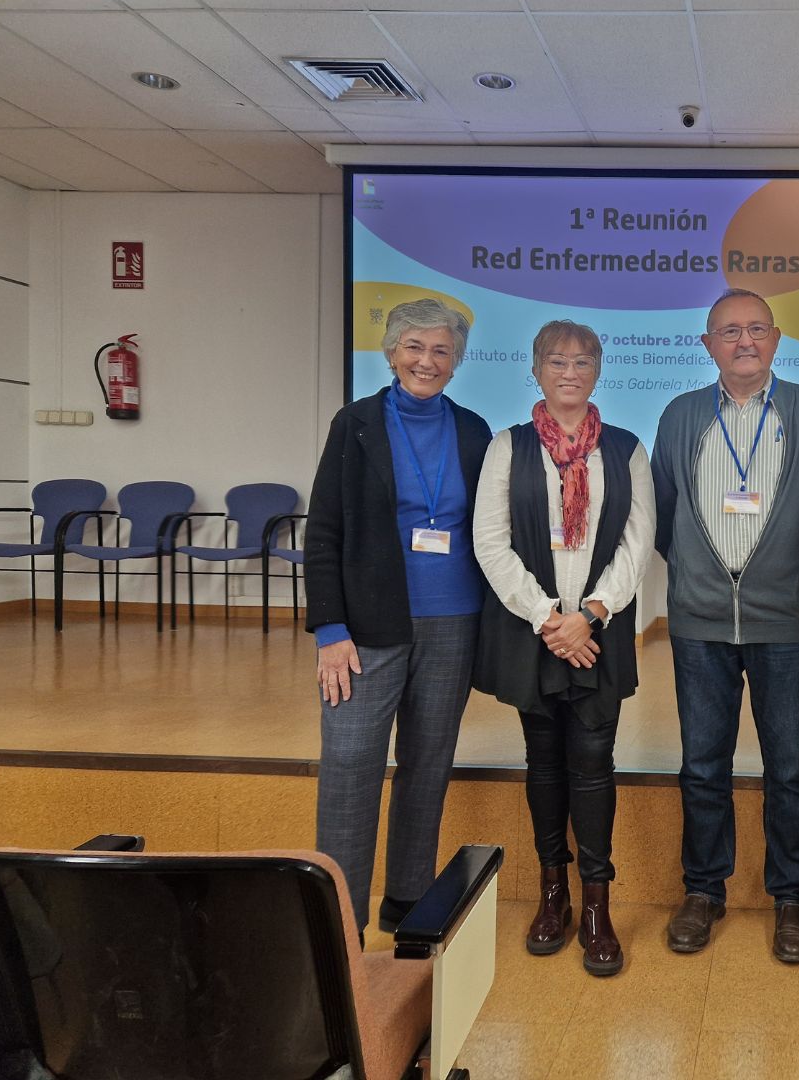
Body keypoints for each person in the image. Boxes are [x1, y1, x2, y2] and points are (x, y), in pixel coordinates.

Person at [651, 288, 799, 963]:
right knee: (703, 765)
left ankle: (791, 897)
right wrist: (705, 581)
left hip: (785, 623)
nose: (744, 340)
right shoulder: (678, 416)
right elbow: (664, 514)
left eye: (756, 328)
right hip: (700, 623)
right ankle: (703, 890)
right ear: (708, 345)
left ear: (777, 338)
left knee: (788, 767)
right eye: (729, 331)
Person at [305, 297, 493, 943]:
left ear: (457, 361)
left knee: (428, 763)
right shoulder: (354, 425)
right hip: (366, 627)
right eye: (414, 347)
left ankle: (408, 900)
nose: (427, 361)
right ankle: (342, 919)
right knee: (351, 764)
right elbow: (324, 531)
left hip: (454, 620)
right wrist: (329, 630)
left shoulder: (473, 431)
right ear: (391, 354)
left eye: (441, 350)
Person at [472, 320, 654, 977]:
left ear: (598, 370)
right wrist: (550, 618)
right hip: (535, 636)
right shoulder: (508, 447)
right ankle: (553, 895)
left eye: (581, 361)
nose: (569, 370)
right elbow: (490, 541)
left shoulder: (628, 450)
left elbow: (638, 544)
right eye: (556, 360)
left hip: (598, 640)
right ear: (537, 369)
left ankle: (597, 904)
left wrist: (593, 615)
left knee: (593, 764)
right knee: (543, 763)